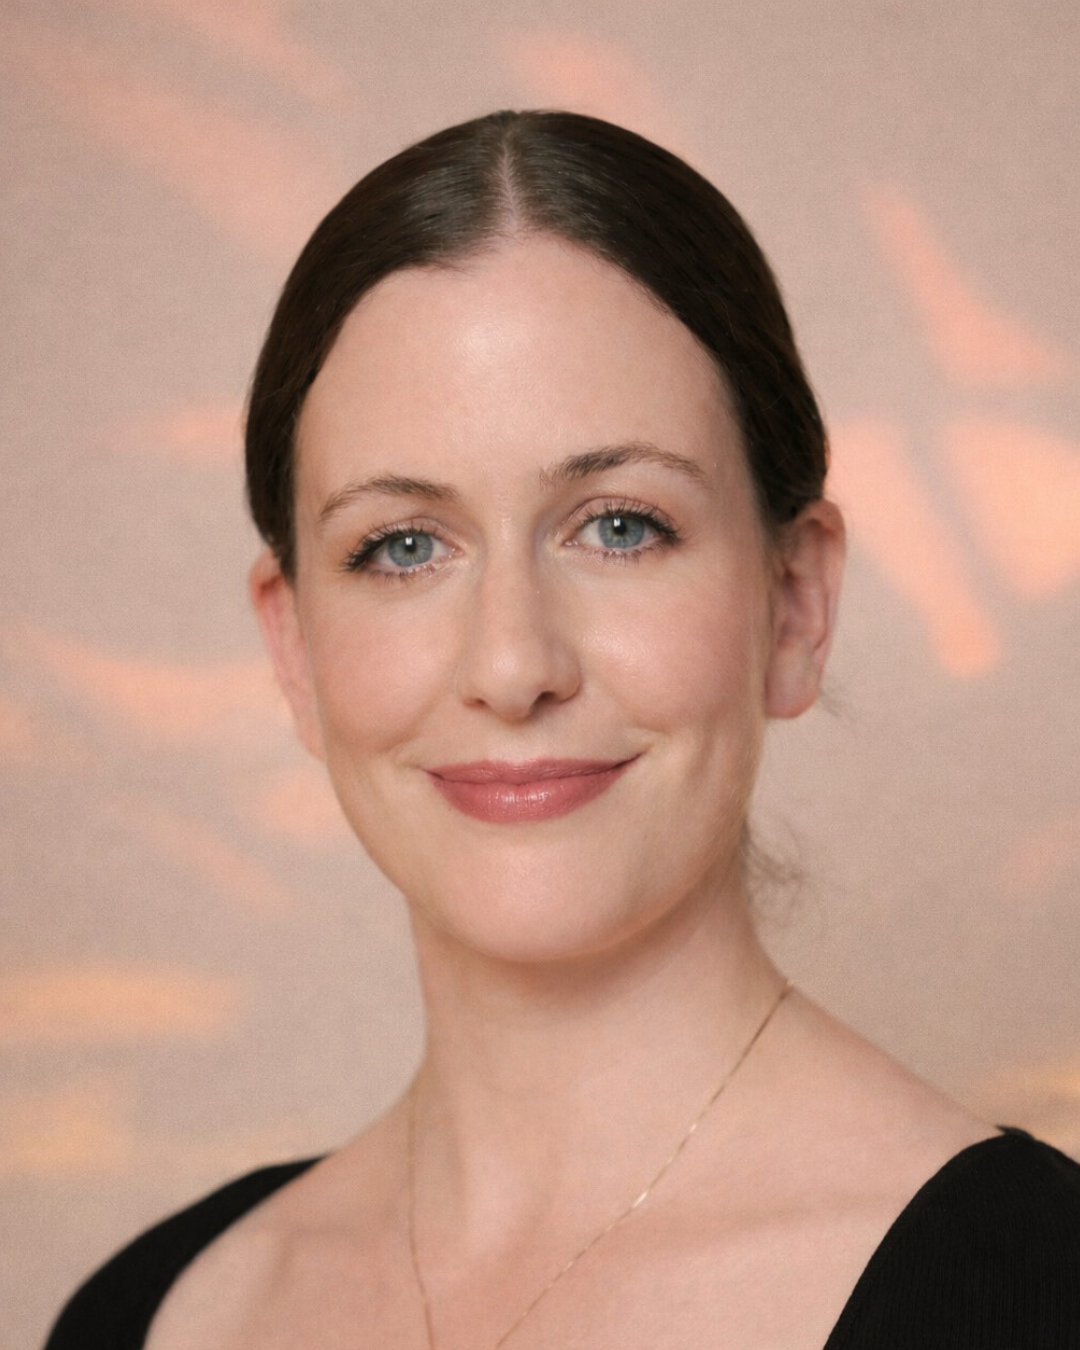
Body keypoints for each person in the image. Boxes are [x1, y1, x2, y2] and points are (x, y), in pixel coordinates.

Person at [45, 109, 1080, 1350]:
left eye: (621, 526)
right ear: (295, 647)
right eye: (403, 546)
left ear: (795, 602)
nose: (512, 665)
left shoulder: (1040, 1290)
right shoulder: (141, 1314)